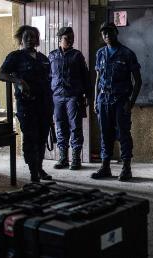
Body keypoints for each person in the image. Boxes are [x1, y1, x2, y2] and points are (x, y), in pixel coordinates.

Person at [0, 25, 53, 182]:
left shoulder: (43, 59)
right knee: (31, 138)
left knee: (42, 138)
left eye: (33, 36)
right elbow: (1, 75)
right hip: (27, 106)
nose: (30, 39)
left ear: (37, 39)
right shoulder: (15, 57)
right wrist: (19, 80)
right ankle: (33, 173)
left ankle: (39, 168)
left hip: (44, 105)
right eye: (26, 36)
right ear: (21, 39)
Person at [91, 22, 142, 182]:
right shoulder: (100, 53)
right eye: (103, 33)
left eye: (109, 32)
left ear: (116, 32)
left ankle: (126, 168)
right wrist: (95, 100)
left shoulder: (127, 54)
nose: (106, 35)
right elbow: (98, 79)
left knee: (123, 134)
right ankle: (105, 166)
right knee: (105, 133)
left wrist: (131, 102)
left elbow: (138, 81)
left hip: (121, 100)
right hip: (103, 100)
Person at [49, 27, 90, 170]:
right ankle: (63, 159)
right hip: (57, 97)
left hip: (73, 96)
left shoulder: (77, 56)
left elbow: (86, 77)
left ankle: (76, 160)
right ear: (60, 39)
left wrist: (88, 96)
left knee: (75, 128)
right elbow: (48, 78)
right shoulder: (52, 56)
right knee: (60, 127)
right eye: (67, 38)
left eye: (72, 38)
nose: (71, 41)